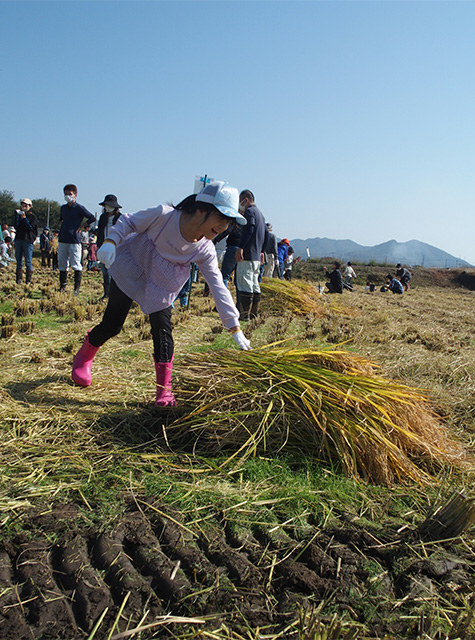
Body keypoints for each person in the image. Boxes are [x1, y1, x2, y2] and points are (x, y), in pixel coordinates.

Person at [71, 181, 251, 407]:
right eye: (222, 218)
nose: (225, 226)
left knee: (162, 329)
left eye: (229, 222)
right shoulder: (163, 216)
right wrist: (110, 241)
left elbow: (217, 285)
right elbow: (129, 222)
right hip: (133, 267)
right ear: (201, 209)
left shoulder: (205, 249)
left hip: (161, 285)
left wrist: (233, 325)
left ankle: (164, 391)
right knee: (113, 325)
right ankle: (84, 357)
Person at [235, 190, 267, 321]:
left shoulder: (250, 212)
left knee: (245, 284)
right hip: (256, 256)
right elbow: (267, 235)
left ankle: (244, 315)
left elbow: (250, 229)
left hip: (247, 254)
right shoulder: (261, 214)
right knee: (255, 284)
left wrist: (241, 247)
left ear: (245, 200)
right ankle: (254, 313)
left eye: (240, 201)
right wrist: (262, 251)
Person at [58, 184, 96, 295]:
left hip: (74, 240)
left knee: (75, 264)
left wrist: (81, 226)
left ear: (75, 195)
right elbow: (61, 219)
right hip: (63, 238)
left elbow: (92, 217)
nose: (67, 196)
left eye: (70, 194)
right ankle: (62, 286)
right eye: (65, 194)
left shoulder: (79, 208)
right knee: (62, 263)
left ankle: (76, 288)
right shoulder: (63, 208)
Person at [96, 194, 122, 299]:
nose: (107, 207)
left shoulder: (120, 218)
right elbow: (100, 233)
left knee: (115, 273)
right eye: (106, 205)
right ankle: (106, 294)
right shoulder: (102, 217)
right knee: (105, 272)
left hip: (116, 248)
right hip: (104, 246)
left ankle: (115, 295)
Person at [12, 198, 38, 284]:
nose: (24, 207)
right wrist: (16, 216)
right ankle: (18, 279)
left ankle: (28, 280)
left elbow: (31, 228)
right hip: (19, 239)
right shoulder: (19, 215)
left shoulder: (32, 217)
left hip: (27, 240)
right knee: (19, 260)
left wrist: (24, 219)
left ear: (30, 206)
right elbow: (16, 226)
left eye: (26, 205)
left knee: (28, 260)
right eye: (23, 205)